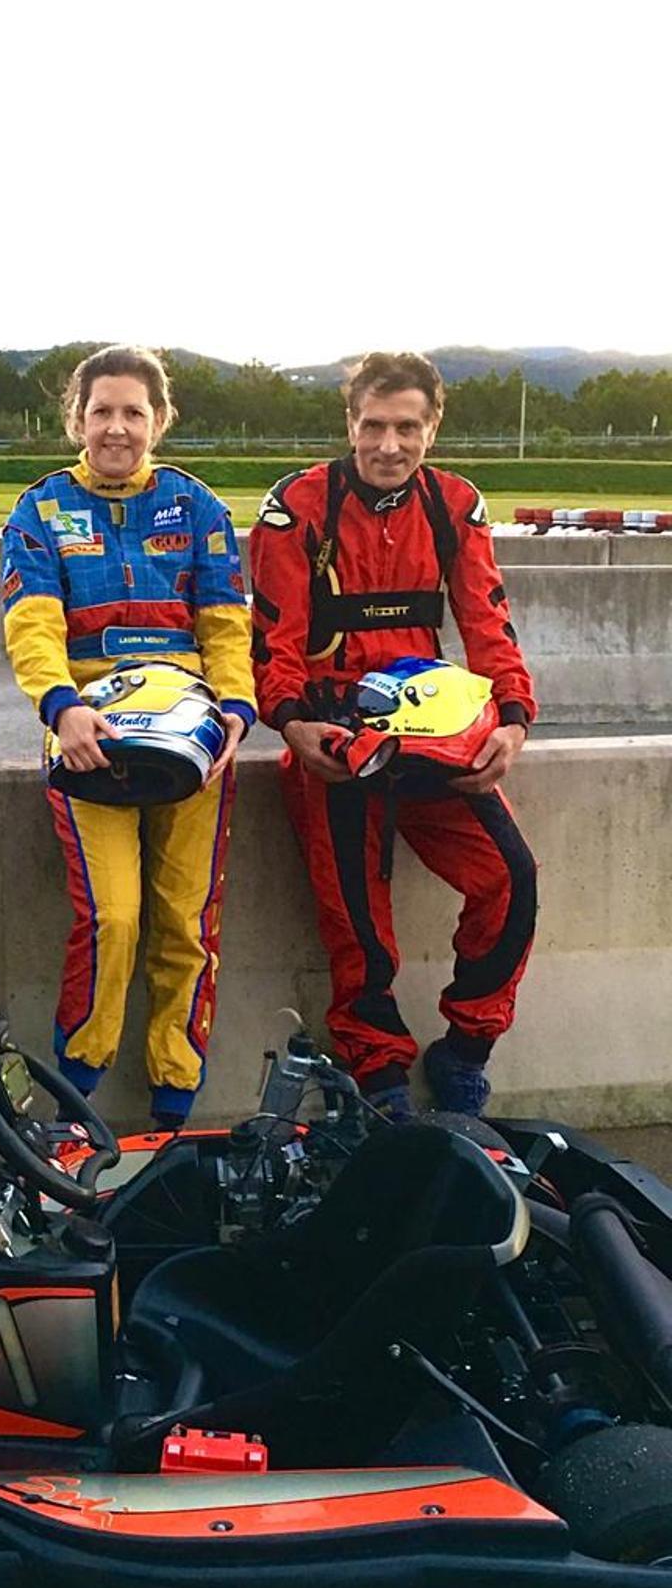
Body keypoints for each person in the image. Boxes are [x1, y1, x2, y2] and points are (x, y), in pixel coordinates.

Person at [250, 351, 537, 1120]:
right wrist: (291, 719)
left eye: (406, 427)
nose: (388, 445)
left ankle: (467, 1048)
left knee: (510, 880)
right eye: (372, 425)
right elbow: (272, 639)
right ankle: (376, 1070)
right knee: (357, 924)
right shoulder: (297, 506)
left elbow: (488, 619)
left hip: (430, 730)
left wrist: (511, 716)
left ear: (432, 428)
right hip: (333, 738)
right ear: (349, 423)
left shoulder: (455, 504)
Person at [1, 345, 255, 1128]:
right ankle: (77, 1088)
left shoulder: (198, 506)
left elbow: (226, 621)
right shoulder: (39, 510)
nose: (117, 428)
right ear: (76, 419)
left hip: (192, 742)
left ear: (160, 420)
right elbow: (32, 622)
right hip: (89, 737)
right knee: (113, 919)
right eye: (102, 411)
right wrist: (61, 707)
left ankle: (174, 1091)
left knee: (185, 920)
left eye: (133, 412)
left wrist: (236, 713)